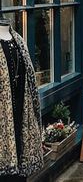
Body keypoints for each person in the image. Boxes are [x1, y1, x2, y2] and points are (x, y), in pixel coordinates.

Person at [0, 16, 43, 180]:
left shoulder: (18, 39)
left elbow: (29, 78)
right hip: (3, 114)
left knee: (20, 152)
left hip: (19, 107)